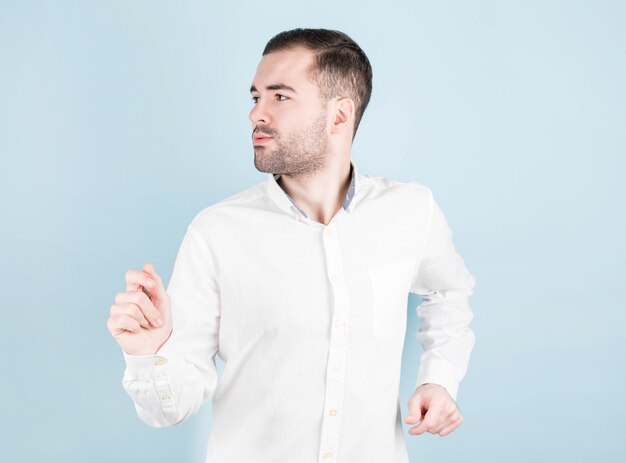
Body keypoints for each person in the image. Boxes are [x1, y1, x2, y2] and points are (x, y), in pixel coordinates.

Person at [107, 28, 476, 463]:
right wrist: (149, 355)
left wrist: (439, 378)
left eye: (279, 97)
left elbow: (449, 292)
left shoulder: (411, 211)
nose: (256, 114)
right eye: (255, 97)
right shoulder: (217, 233)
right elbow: (173, 406)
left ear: (340, 115)